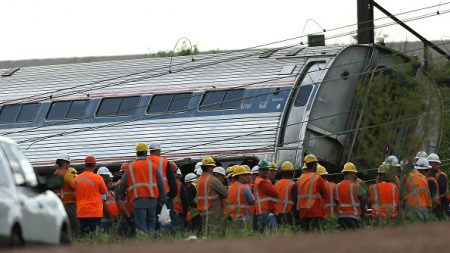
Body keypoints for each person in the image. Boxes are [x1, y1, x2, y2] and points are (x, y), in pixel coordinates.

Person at [117, 142, 167, 234]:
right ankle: (150, 242)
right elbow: (161, 183)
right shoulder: (153, 166)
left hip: (138, 199)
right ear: (146, 152)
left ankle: (144, 243)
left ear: (137, 153)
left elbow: (123, 184)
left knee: (141, 222)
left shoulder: (131, 167)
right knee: (151, 221)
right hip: (152, 199)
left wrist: (120, 195)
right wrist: (163, 198)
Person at [74, 155, 108, 236]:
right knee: (94, 236)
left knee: (83, 236)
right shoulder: (98, 178)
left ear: (85, 165)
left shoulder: (77, 179)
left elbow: (74, 191)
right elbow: (104, 191)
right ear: (94, 165)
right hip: (94, 212)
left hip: (81, 212)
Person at [147, 142, 178, 232]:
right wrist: (172, 194)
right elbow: (171, 179)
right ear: (158, 151)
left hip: (150, 195)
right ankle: (166, 239)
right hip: (165, 195)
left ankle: (154, 239)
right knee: (166, 220)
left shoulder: (145, 161)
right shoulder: (164, 161)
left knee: (152, 219)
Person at [196, 157, 228, 236]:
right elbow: (225, 193)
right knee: (214, 232)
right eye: (212, 167)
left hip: (202, 210)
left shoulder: (199, 180)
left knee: (205, 232)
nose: (213, 169)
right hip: (213, 210)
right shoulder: (212, 180)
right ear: (208, 167)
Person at [297, 154, 327, 232]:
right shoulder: (318, 178)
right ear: (314, 166)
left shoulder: (300, 179)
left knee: (305, 235)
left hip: (303, 211)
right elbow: (325, 194)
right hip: (315, 212)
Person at [53, 153, 80, 236]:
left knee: (62, 227)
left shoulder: (54, 174)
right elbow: (75, 186)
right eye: (68, 163)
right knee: (75, 227)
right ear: (65, 163)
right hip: (69, 205)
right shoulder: (67, 174)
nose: (68, 165)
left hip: (57, 206)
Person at [336, 162, 367, 230]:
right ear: (351, 174)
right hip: (353, 217)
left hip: (341, 218)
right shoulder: (356, 186)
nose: (355, 176)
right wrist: (362, 213)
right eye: (354, 173)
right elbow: (364, 198)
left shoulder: (337, 186)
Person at [226, 165, 255, 231]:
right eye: (244, 175)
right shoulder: (245, 188)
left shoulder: (230, 188)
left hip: (233, 219)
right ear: (239, 176)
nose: (246, 177)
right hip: (244, 218)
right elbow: (252, 201)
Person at [253, 160, 278, 233]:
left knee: (262, 234)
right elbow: (275, 192)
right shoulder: (263, 182)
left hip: (261, 211)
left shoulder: (258, 180)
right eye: (263, 170)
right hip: (265, 211)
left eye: (267, 169)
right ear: (259, 171)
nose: (266, 171)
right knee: (273, 233)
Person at [274, 161, 297, 226]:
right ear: (292, 173)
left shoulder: (276, 184)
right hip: (288, 216)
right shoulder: (293, 185)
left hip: (276, 215)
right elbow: (296, 202)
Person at [427, 153, 449, 219]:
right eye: (428, 163)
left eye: (431, 163)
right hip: (431, 203)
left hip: (442, 203)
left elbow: (442, 191)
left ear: (437, 164)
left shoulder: (442, 176)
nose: (429, 165)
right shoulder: (427, 175)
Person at [97, 166, 119, 232]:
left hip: (112, 217)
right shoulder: (101, 189)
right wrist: (109, 217)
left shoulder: (109, 191)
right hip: (105, 218)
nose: (109, 179)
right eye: (107, 177)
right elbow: (103, 203)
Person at [171, 162, 189, 233]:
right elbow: (185, 202)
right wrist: (185, 214)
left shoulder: (162, 184)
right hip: (177, 215)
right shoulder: (179, 185)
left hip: (164, 215)